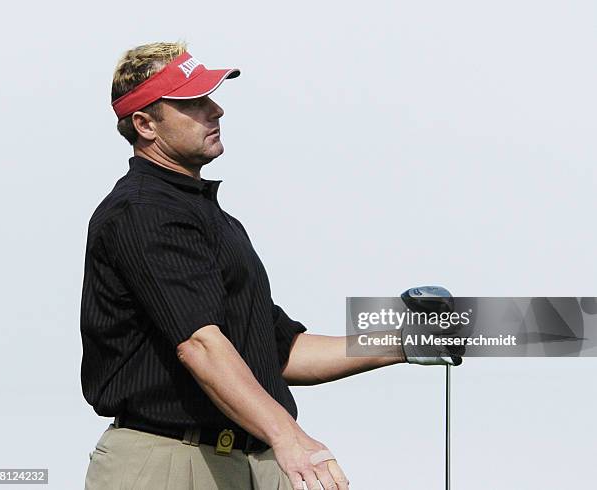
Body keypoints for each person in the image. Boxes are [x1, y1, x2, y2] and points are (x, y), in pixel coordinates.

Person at [80, 41, 460, 490]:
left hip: (246, 463)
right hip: (167, 463)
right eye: (193, 102)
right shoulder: (143, 212)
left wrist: (406, 342)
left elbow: (279, 352)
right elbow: (200, 346)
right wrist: (290, 438)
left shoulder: (214, 220)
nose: (215, 109)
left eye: (211, 96)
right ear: (145, 124)